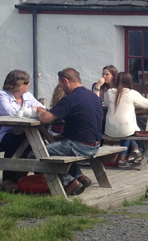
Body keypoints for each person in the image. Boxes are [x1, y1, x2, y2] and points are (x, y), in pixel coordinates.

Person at [36, 68, 103, 196]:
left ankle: (69, 182)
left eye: (61, 84)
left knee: (36, 153)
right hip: (95, 144)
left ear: (66, 81)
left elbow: (46, 118)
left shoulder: (71, 98)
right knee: (58, 150)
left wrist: (39, 111)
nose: (60, 88)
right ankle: (80, 177)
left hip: (79, 145)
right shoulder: (92, 96)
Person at [0, 70, 47, 191]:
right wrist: (33, 110)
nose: (28, 84)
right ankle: (8, 180)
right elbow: (12, 113)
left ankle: (41, 178)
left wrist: (34, 110)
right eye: (26, 82)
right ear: (15, 84)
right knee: (16, 142)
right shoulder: (1, 95)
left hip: (21, 131)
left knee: (37, 143)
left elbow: (43, 109)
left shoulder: (27, 95)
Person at [104, 72, 148, 167]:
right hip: (125, 129)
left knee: (128, 129)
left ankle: (134, 151)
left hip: (109, 129)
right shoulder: (132, 93)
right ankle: (133, 152)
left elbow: (106, 104)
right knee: (130, 130)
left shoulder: (109, 92)